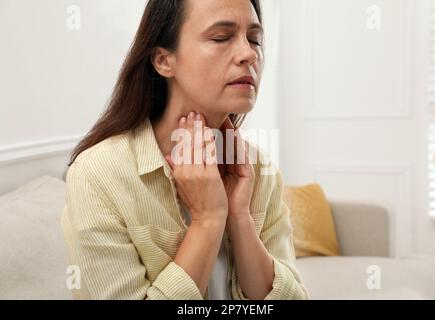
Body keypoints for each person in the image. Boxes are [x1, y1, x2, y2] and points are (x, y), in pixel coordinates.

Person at [61, 0, 308, 300]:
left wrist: (239, 217)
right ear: (164, 60)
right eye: (221, 37)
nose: (249, 54)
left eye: (254, 38)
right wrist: (208, 219)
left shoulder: (259, 168)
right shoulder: (96, 176)